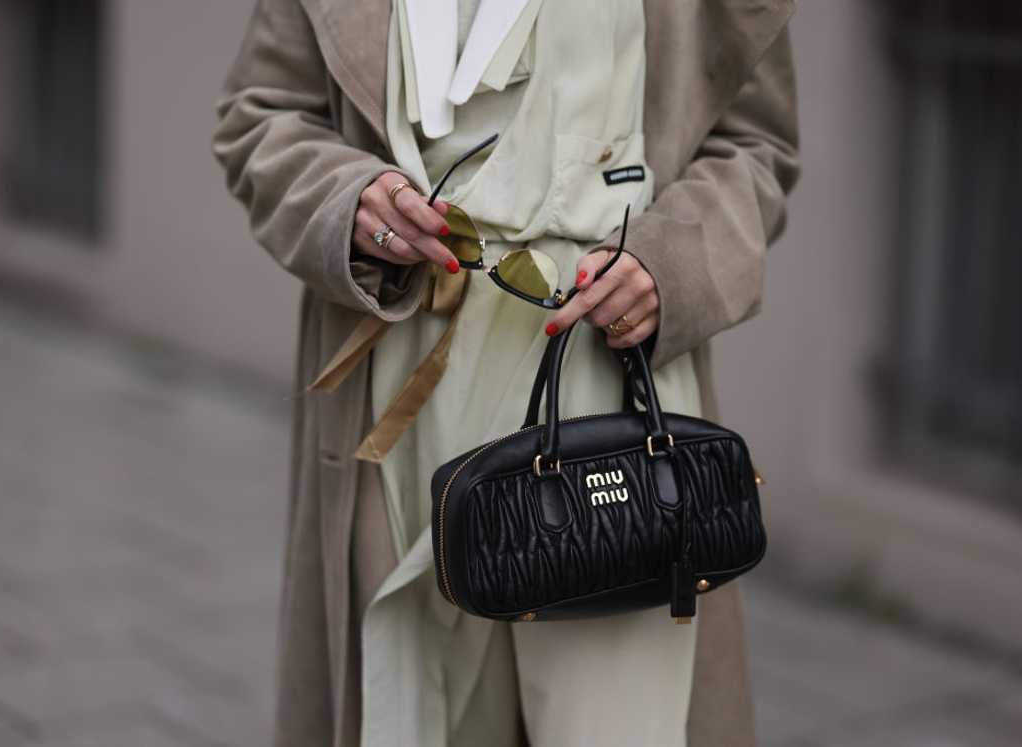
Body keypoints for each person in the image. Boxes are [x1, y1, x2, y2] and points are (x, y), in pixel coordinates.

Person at [211, 1, 800, 745]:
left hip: (610, 385)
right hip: (401, 389)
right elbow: (260, 115)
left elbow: (755, 144)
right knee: (418, 705)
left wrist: (670, 267)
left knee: (614, 721)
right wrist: (347, 201)